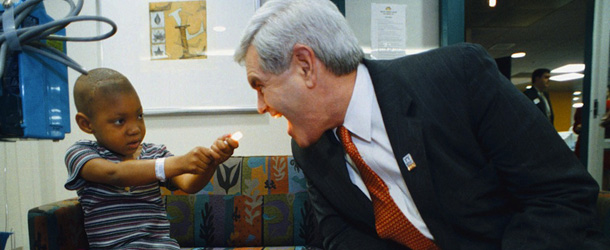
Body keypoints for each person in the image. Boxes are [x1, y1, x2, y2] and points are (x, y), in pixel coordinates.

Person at [233, 0, 605, 249]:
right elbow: (341, 236)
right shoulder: (309, 148)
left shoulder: (457, 78)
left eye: (260, 86)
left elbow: (562, 196)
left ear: (305, 65)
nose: (261, 107)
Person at [64, 68, 239, 249]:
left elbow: (190, 184)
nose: (135, 129)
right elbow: (113, 173)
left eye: (139, 116)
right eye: (119, 121)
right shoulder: (81, 153)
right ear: (86, 124)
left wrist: (212, 162)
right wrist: (177, 163)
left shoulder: (155, 153)